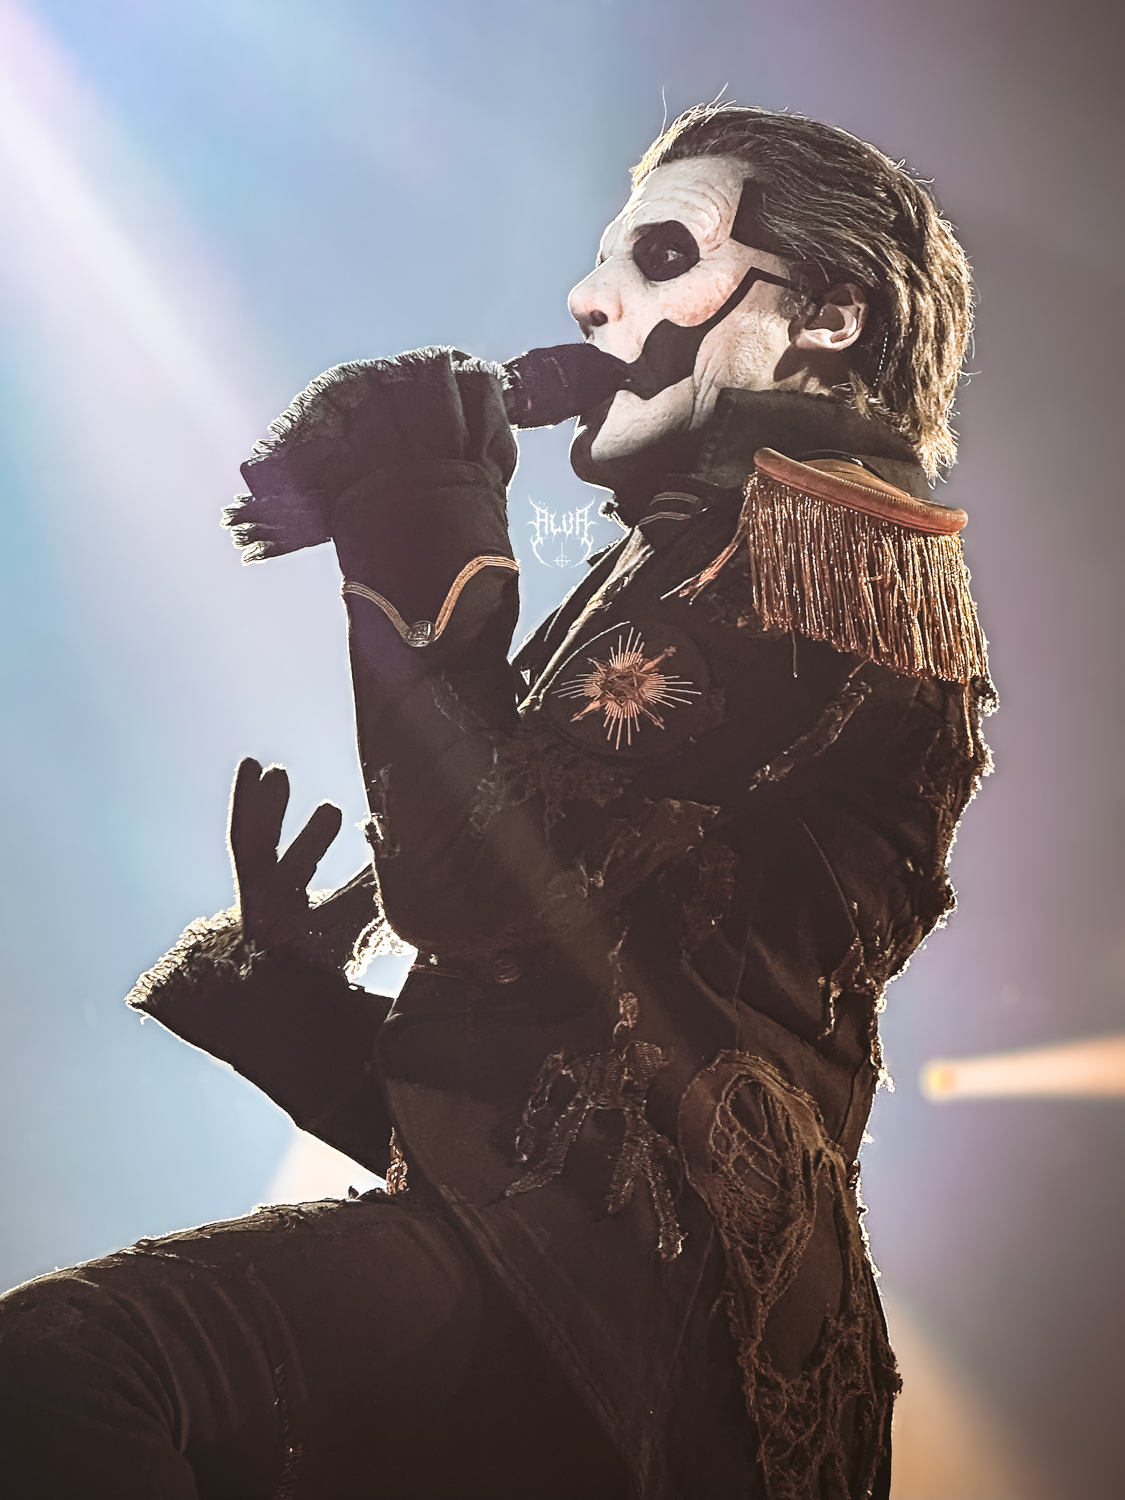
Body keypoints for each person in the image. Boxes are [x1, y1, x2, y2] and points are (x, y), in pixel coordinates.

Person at [0, 103, 992, 1499]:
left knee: (67, 1371)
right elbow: (549, 1096)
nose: (589, 298)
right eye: (606, 258)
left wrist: (420, 500)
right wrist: (294, 991)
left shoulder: (813, 561)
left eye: (662, 255)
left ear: (829, 315)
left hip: (645, 1307)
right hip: (619, 1298)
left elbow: (471, 883)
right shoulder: (705, 560)